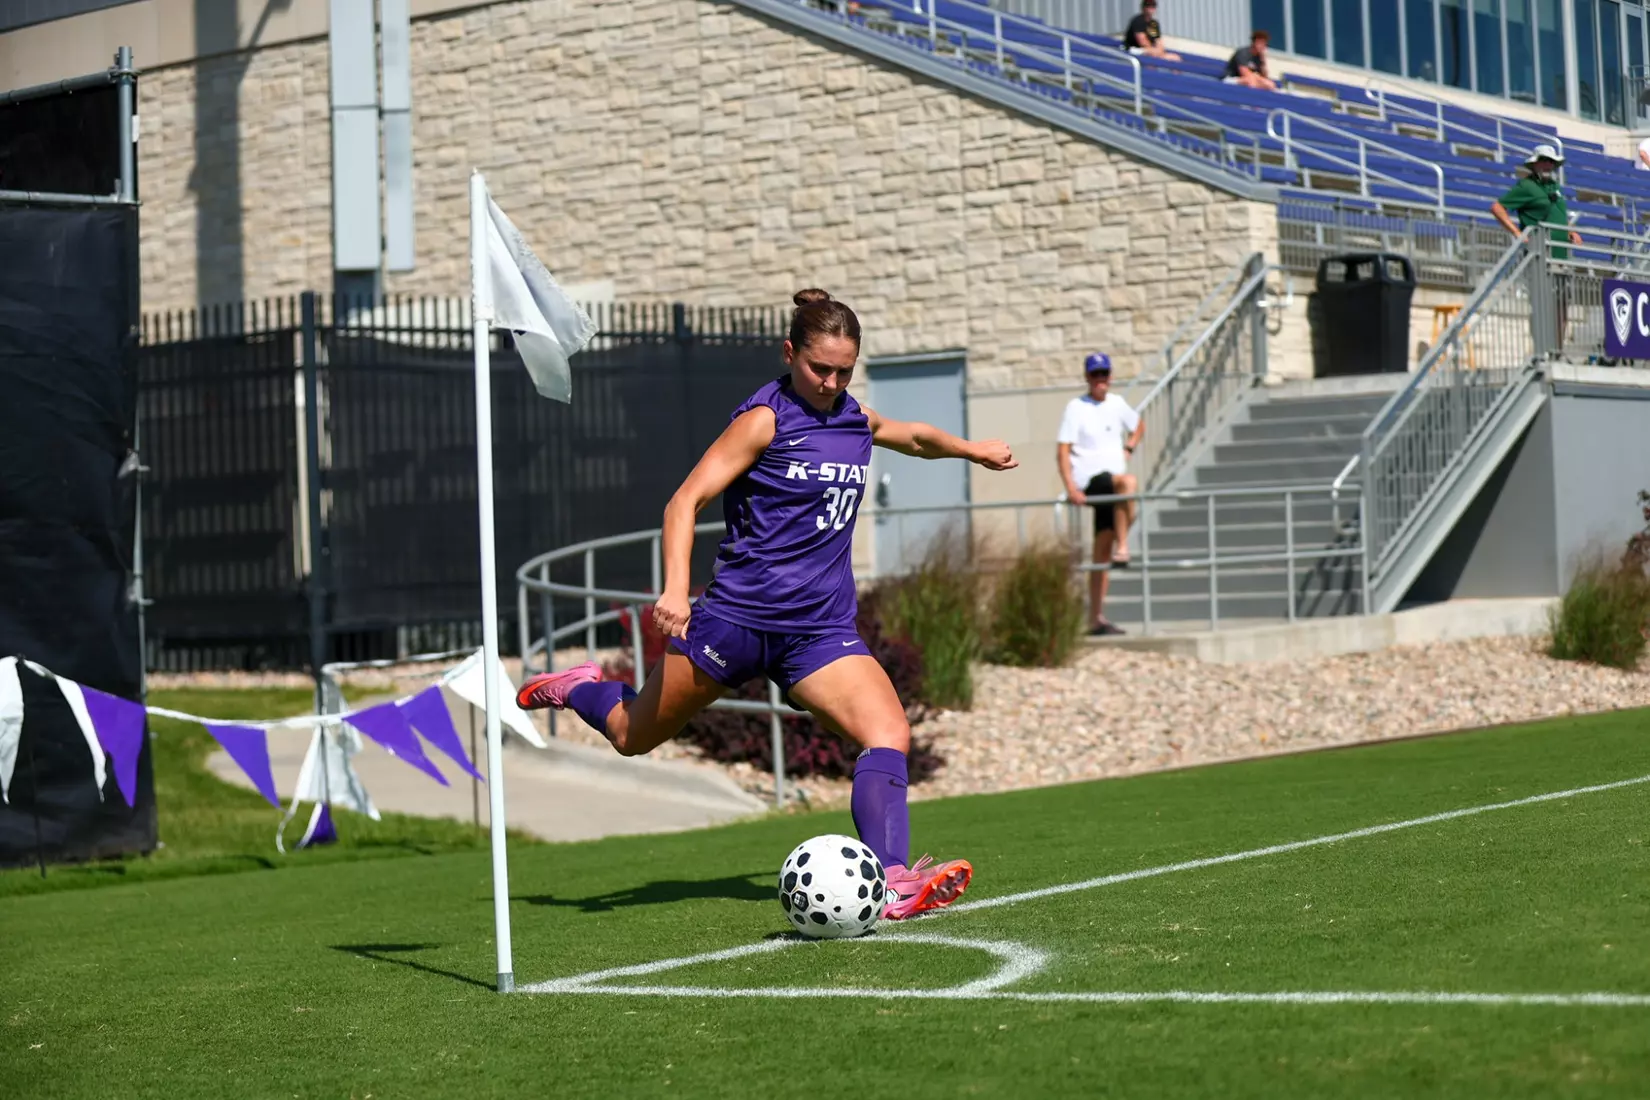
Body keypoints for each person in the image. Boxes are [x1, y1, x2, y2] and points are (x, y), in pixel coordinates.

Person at [514, 289, 1018, 920]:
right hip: (735, 621)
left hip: (818, 630)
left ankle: (892, 881)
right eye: (819, 369)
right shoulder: (764, 420)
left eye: (844, 371)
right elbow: (683, 503)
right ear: (789, 353)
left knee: (888, 732)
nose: (831, 383)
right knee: (630, 735)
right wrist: (675, 590)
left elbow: (913, 437)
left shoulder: (854, 418)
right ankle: (581, 688)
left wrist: (972, 450)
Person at [1057, 353, 1144, 637]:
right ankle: (1124, 546)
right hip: (1092, 480)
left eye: (1104, 374)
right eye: (1095, 375)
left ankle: (1095, 618)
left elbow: (1138, 425)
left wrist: (1129, 447)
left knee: (1101, 553)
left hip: (1114, 486)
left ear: (1110, 376)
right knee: (1128, 482)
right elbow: (1063, 450)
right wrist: (1071, 487)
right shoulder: (1076, 408)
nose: (1100, 380)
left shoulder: (1117, 404)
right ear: (1087, 377)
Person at [1490, 144, 1582, 349]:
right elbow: (1497, 207)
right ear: (1535, 164)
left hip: (1561, 256)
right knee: (1543, 305)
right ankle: (1543, 349)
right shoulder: (1527, 186)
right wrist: (1517, 233)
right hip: (1541, 255)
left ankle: (1557, 349)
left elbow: (1558, 214)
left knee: (1562, 305)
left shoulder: (1555, 187)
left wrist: (1569, 231)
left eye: (1552, 162)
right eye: (1544, 160)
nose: (1548, 165)